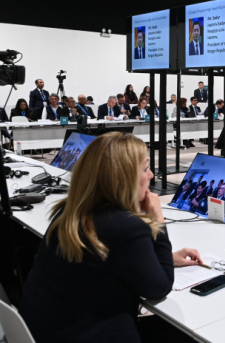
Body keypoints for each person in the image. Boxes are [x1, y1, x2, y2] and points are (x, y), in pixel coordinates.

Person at [19, 132, 203, 343]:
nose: (151, 175)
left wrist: (162, 258)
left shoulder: (69, 211)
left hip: (45, 331)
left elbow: (108, 260)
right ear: (122, 178)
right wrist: (157, 221)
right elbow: (159, 288)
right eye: (145, 169)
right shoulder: (124, 226)